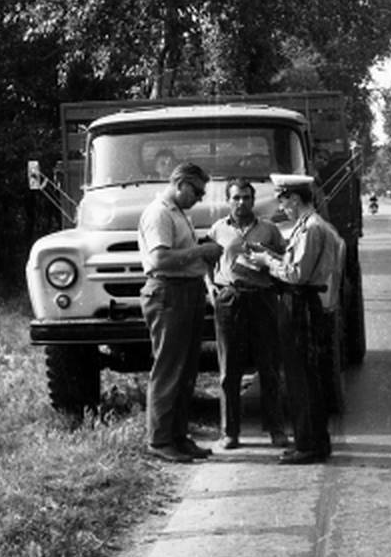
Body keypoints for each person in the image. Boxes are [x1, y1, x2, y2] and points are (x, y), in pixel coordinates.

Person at [246, 178, 341, 465]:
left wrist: (267, 263)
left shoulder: (312, 229)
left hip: (301, 303)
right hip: (299, 301)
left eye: (282, 200)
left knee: (303, 377)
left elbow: (297, 274)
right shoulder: (307, 226)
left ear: (295, 199)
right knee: (302, 375)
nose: (281, 207)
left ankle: (309, 445)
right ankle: (309, 440)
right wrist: (272, 256)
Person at [137, 162, 223, 463]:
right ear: (180, 184)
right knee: (169, 368)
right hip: (168, 293)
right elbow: (159, 259)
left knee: (186, 369)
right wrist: (201, 252)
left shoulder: (178, 213)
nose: (199, 198)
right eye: (196, 191)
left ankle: (177, 436)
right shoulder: (159, 213)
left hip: (186, 292)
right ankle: (160, 440)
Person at [207, 179, 288, 451]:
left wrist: (267, 260)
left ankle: (276, 429)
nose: (241, 202)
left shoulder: (268, 229)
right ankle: (230, 432)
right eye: (236, 198)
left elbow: (283, 258)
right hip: (230, 299)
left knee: (269, 367)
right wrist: (211, 288)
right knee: (229, 370)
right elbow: (207, 260)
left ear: (253, 201)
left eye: (246, 198)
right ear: (228, 201)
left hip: (262, 298)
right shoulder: (218, 229)